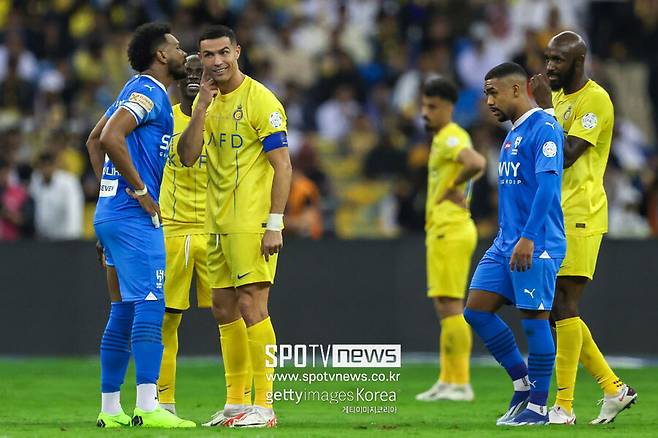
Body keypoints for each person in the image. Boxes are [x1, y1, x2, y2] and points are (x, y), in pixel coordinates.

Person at [177, 24, 292, 428]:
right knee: (223, 308)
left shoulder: (261, 100)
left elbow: (283, 165)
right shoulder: (205, 103)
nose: (217, 61)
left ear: (238, 51)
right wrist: (201, 109)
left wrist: (274, 224)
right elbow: (188, 157)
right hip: (216, 220)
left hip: (251, 221)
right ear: (201, 58)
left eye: (224, 52)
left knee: (252, 305)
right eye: (208, 55)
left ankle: (265, 404)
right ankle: (235, 403)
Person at [87, 22, 194, 428]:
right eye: (177, 46)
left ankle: (110, 409)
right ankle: (149, 406)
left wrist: (108, 198)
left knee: (123, 310)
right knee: (151, 304)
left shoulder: (133, 91)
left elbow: (93, 140)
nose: (183, 53)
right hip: (134, 217)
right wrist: (138, 191)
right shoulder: (148, 91)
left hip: (112, 216)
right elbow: (111, 137)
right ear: (162, 55)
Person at [530, 30, 637, 425]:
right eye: (548, 58)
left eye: (558, 60)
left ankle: (565, 406)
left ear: (578, 62)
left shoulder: (595, 100)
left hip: (581, 213)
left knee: (562, 306)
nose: (549, 67)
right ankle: (613, 389)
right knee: (557, 310)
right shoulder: (556, 99)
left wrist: (542, 111)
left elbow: (569, 154)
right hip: (553, 213)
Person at [464, 62, 565, 426]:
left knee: (536, 322)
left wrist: (528, 237)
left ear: (517, 90)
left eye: (493, 92)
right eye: (485, 92)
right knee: (475, 310)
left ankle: (539, 408)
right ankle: (522, 385)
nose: (488, 100)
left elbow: (548, 189)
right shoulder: (512, 134)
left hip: (535, 244)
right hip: (505, 243)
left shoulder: (545, 129)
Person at [414, 75, 485, 402]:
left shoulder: (449, 137)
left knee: (452, 305)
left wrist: (453, 186)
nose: (425, 112)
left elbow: (477, 163)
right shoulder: (451, 136)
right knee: (445, 305)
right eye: (424, 105)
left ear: (449, 107)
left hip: (450, 229)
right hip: (447, 229)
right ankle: (447, 379)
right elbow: (477, 166)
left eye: (432, 106)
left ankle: (461, 382)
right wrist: (459, 187)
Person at [156, 54, 212, 415]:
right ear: (177, 77)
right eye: (188, 71)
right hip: (172, 229)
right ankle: (165, 402)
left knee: (235, 314)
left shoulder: (224, 118)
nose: (193, 76)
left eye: (200, 72)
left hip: (215, 229)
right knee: (166, 319)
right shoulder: (162, 118)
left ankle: (242, 402)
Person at [29, 151, 84, 240]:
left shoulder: (69, 181)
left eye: (48, 165)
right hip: (43, 237)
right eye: (42, 166)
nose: (45, 169)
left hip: (65, 237)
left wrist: (73, 237)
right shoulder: (35, 181)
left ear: (54, 166)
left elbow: (74, 209)